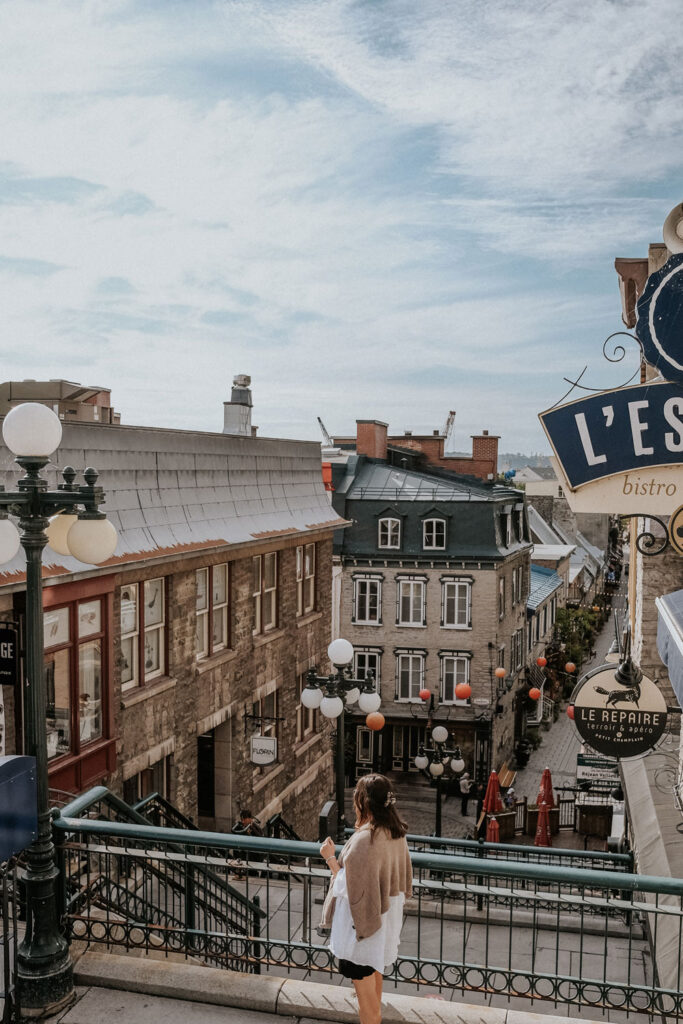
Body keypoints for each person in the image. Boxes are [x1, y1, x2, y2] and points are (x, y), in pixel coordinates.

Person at [319, 774, 412, 1024]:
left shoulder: (365, 839)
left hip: (361, 928)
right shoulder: (396, 832)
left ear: (363, 802)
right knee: (374, 985)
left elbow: (350, 888)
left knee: (367, 1004)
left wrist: (329, 857)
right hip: (384, 920)